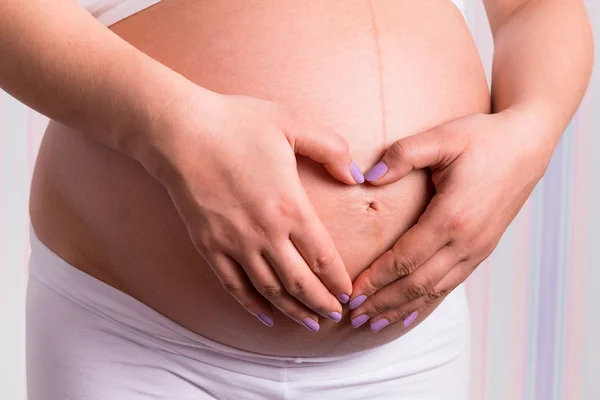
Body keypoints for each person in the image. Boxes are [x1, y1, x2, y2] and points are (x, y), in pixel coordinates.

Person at [1, 0, 592, 399]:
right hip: (139, 343)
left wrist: (532, 129)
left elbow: (534, 7)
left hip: (408, 350)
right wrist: (173, 126)